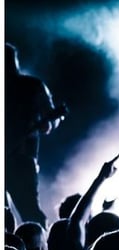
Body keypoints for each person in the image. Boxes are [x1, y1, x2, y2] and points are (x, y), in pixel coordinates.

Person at [5, 43, 66, 227]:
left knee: (29, 211)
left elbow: (51, 120)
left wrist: (48, 122)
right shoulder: (32, 86)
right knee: (28, 211)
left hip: (21, 158)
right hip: (21, 158)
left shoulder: (33, 86)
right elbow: (50, 121)